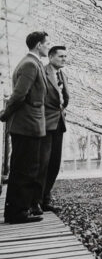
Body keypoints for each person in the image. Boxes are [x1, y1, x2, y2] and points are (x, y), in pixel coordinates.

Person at [0, 31, 50, 223]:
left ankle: (20, 209)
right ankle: (17, 212)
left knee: (26, 167)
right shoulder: (30, 64)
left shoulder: (33, 63)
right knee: (24, 169)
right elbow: (20, 94)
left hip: (30, 124)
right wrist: (5, 115)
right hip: (27, 124)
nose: (48, 46)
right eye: (47, 43)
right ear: (38, 45)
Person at [38, 46, 69, 212]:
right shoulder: (42, 72)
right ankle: (37, 201)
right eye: (60, 56)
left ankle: (45, 199)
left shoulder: (62, 74)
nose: (64, 59)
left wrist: (63, 110)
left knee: (54, 164)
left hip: (59, 124)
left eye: (65, 56)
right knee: (43, 163)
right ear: (50, 57)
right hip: (45, 124)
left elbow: (64, 98)